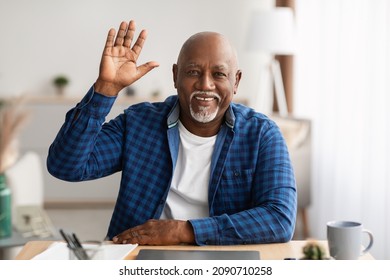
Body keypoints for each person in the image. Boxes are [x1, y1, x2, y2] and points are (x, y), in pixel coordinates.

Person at [47, 20, 297, 246]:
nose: (205, 85)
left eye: (219, 74)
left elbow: (279, 218)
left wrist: (183, 231)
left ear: (236, 81)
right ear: (175, 76)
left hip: (222, 259)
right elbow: (66, 166)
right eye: (192, 72)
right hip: (138, 259)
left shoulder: (262, 134)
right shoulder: (139, 122)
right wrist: (105, 90)